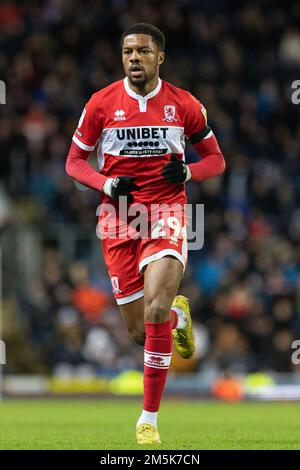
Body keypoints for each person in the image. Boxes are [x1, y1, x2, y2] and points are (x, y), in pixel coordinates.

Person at [66, 22, 225, 445]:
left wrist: (189, 169)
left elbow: (216, 160)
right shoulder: (100, 104)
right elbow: (74, 162)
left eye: (142, 51)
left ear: (160, 57)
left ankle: (148, 421)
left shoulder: (184, 104)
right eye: (127, 52)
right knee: (141, 331)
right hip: (118, 221)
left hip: (166, 213)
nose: (133, 58)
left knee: (154, 309)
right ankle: (178, 317)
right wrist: (105, 183)